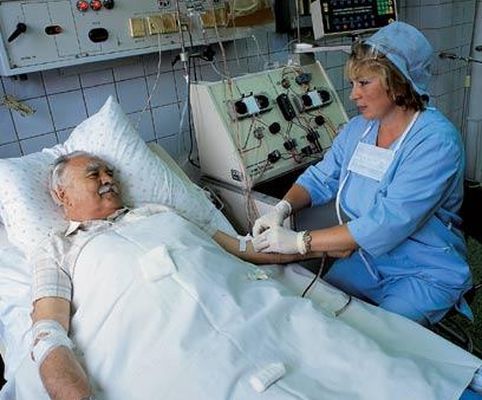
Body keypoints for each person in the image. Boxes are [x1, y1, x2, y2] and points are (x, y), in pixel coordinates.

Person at [31, 151, 321, 399]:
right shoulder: (57, 247)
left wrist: (309, 245)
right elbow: (49, 329)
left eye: (110, 173)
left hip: (250, 313)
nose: (108, 179)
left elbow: (242, 248)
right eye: (94, 174)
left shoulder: (157, 211)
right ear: (62, 194)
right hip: (172, 351)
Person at [252, 21, 473, 327]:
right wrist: (282, 208)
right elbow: (321, 177)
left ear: (398, 83)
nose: (353, 95)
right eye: (353, 83)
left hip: (423, 269)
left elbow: (388, 221)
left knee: (373, 337)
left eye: (364, 83)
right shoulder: (359, 129)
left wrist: (300, 242)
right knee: (315, 313)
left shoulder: (435, 141)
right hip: (367, 259)